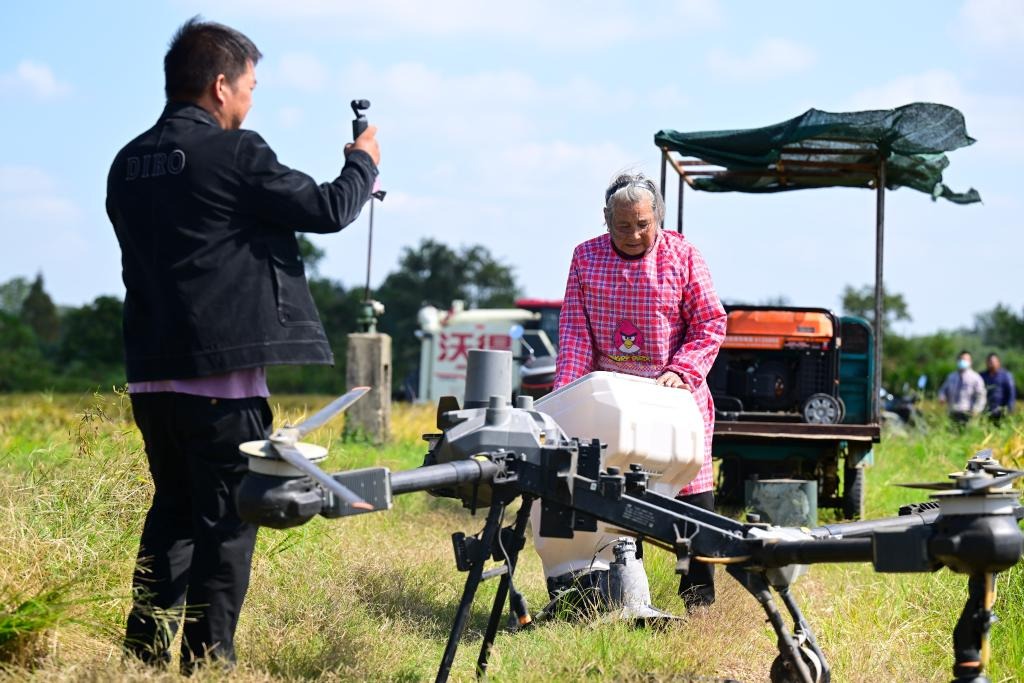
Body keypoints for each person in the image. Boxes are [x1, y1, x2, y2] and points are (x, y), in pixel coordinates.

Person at [106, 17, 380, 671]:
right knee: (228, 521)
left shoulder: (127, 163)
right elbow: (327, 209)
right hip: (221, 385)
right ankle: (208, 661)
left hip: (150, 377)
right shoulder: (234, 152)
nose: (251, 100)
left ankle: (142, 654)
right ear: (221, 85)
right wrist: (363, 160)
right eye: (251, 86)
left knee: (172, 509)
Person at [553, 172, 727, 610]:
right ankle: (625, 599)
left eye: (643, 224)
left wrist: (682, 371)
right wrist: (566, 401)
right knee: (617, 499)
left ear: (658, 219)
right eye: (623, 225)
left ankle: (699, 603)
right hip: (613, 403)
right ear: (606, 219)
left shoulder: (683, 256)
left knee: (692, 505)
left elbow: (710, 322)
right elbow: (576, 334)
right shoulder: (585, 257)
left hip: (673, 399)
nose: (633, 234)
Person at [938, 350, 986, 426]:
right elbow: (943, 390)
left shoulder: (976, 378)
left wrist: (976, 410)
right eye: (961, 359)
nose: (963, 361)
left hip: (968, 413)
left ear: (970, 362)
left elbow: (981, 396)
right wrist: (942, 397)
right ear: (957, 361)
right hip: (953, 412)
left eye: (965, 359)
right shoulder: (951, 377)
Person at [980, 352, 1016, 423]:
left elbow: (1011, 393)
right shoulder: (982, 376)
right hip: (986, 411)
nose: (991, 364)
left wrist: (1010, 409)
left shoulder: (1006, 376)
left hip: (1001, 411)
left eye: (993, 362)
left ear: (998, 362)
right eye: (989, 362)